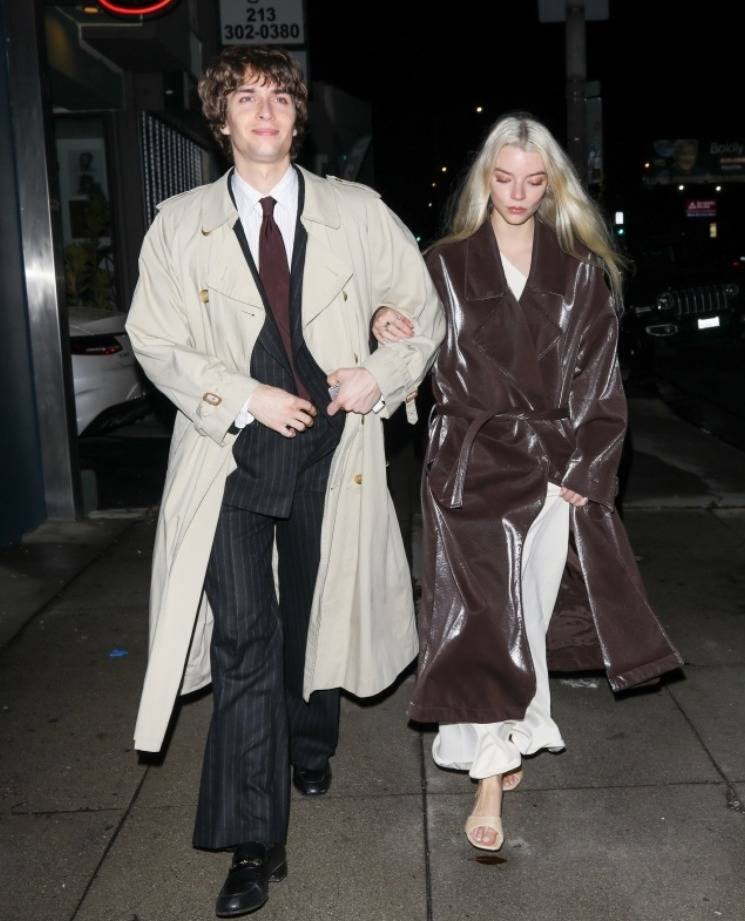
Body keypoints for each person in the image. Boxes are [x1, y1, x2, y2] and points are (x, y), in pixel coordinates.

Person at [126, 46, 444, 917]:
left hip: (331, 454)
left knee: (310, 610)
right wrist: (242, 396)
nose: (262, 110)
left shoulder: (356, 212)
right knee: (244, 639)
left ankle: (309, 738)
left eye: (277, 97)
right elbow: (154, 338)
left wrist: (378, 369)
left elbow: (420, 311)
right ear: (220, 120)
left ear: (297, 117)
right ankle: (253, 838)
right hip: (227, 452)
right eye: (243, 98)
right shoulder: (179, 224)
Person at [373, 113, 682, 852]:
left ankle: (506, 737)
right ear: (485, 180)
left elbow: (599, 380)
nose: (516, 194)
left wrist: (589, 465)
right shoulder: (443, 264)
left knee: (523, 617)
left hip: (547, 466)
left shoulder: (577, 271)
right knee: (479, 618)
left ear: (551, 187)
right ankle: (490, 770)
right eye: (504, 178)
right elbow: (410, 338)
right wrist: (385, 318)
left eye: (533, 181)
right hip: (467, 463)